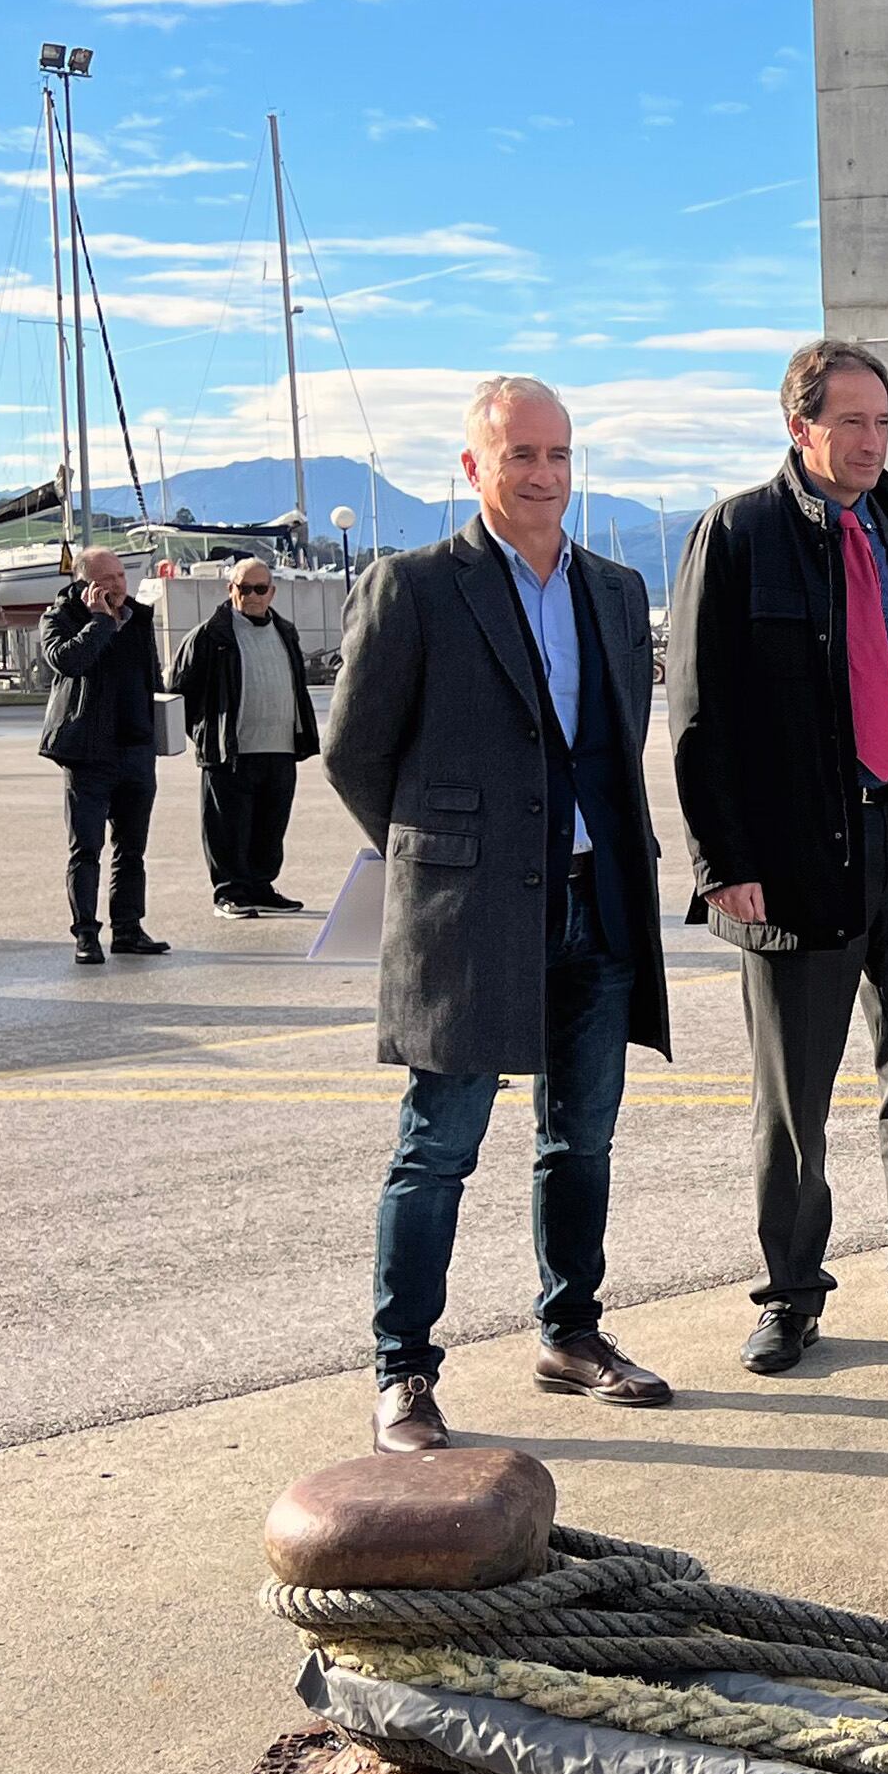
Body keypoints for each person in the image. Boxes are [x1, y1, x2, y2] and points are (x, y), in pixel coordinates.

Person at [326, 376, 674, 1454]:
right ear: (473, 468)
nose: (544, 474)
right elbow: (355, 752)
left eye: (559, 454)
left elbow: (613, 749)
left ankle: (571, 1333)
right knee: (439, 1149)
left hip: (595, 903)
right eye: (520, 454)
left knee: (582, 1140)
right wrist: (443, 858)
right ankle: (404, 1375)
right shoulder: (415, 586)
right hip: (468, 913)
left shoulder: (614, 593)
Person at [672, 339, 888, 1371]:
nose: (870, 442)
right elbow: (697, 712)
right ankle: (789, 1294)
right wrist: (719, 862)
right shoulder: (737, 534)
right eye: (849, 423)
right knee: (795, 1101)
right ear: (800, 427)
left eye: (882, 423)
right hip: (795, 855)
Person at [39, 545, 168, 965]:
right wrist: (98, 622)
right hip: (89, 754)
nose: (118, 585)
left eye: (121, 576)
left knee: (132, 849)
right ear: (85, 584)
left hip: (136, 749)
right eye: (107, 578)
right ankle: (86, 935)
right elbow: (67, 662)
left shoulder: (139, 616)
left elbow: (151, 676)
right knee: (86, 849)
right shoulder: (60, 618)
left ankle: (129, 929)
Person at [173, 554, 320, 917]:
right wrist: (208, 733)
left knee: (271, 826)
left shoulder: (285, 631)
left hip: (281, 748)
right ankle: (230, 892)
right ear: (231, 590)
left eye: (260, 589)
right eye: (244, 588)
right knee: (227, 827)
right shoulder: (210, 635)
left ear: (271, 592)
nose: (252, 596)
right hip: (231, 751)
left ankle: (261, 886)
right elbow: (179, 691)